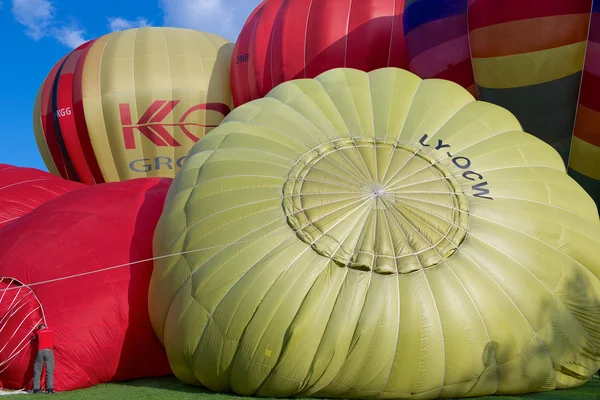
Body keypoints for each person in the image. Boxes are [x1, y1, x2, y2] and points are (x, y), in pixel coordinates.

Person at [30, 324, 55, 394]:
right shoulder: (51, 330)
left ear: (40, 329)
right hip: (49, 351)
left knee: (37, 370)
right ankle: (50, 389)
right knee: (50, 371)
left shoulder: (38, 332)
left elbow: (36, 339)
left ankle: (36, 389)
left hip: (40, 351)